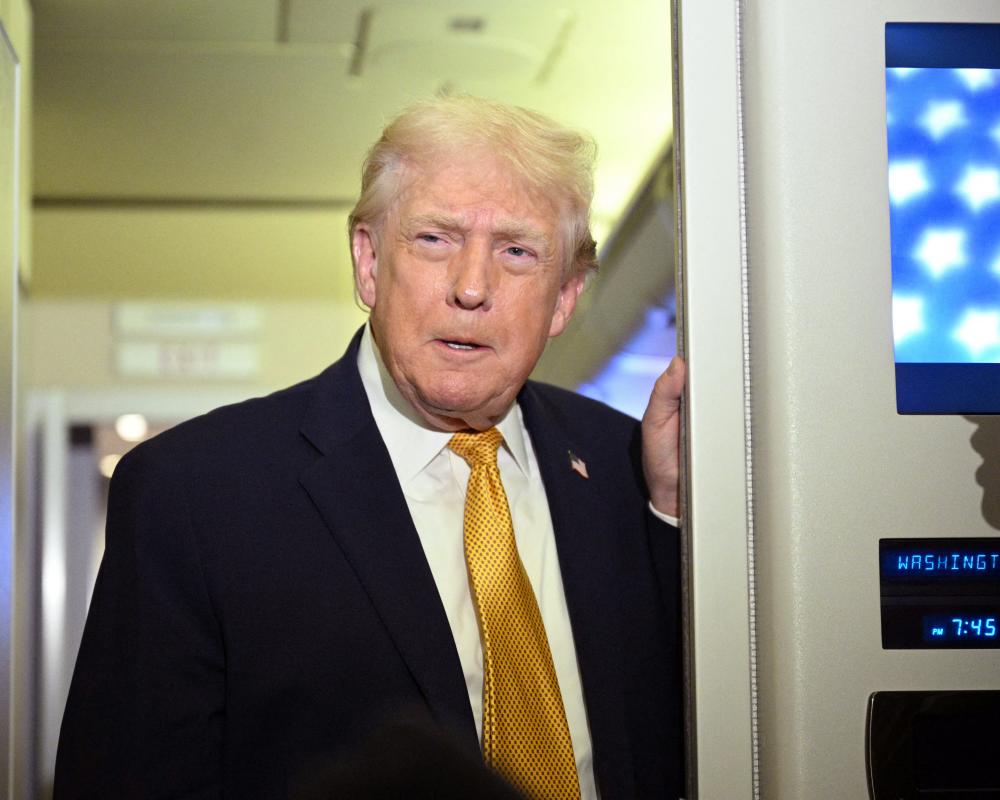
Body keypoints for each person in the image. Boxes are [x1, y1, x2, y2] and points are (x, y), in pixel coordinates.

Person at [54, 95, 686, 800]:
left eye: (516, 250)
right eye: (435, 239)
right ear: (368, 261)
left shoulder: (631, 470)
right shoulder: (196, 495)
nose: (471, 287)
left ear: (565, 294)